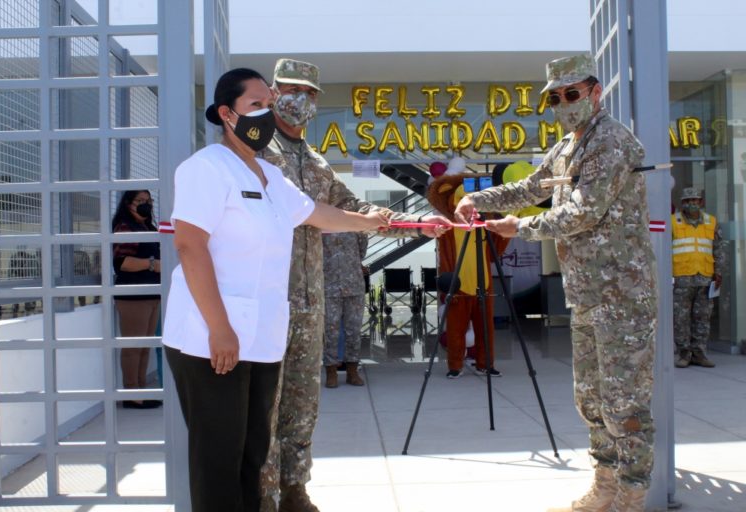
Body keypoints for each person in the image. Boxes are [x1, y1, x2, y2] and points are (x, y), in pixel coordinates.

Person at [162, 67, 388, 512]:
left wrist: (373, 220)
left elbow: (317, 214)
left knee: (251, 454)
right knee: (219, 459)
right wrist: (219, 328)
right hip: (212, 339)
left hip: (262, 340)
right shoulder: (206, 167)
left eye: (270, 103)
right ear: (227, 115)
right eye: (256, 105)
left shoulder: (267, 174)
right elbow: (190, 246)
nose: (266, 114)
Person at [455, 54, 657, 512]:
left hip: (623, 296)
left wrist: (519, 229)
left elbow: (584, 211)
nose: (564, 103)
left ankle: (632, 495)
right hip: (586, 294)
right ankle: (604, 487)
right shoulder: (568, 146)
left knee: (625, 405)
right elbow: (530, 188)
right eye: (556, 97)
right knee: (591, 399)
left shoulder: (611, 141)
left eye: (572, 93)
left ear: (594, 92)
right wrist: (477, 197)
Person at [258, 58, 450, 512]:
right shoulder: (258, 151)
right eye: (290, 89)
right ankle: (262, 495)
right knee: (264, 405)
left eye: (308, 93)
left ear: (316, 101)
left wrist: (416, 226)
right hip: (266, 298)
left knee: (302, 403)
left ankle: (293, 489)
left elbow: (358, 209)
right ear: (272, 91)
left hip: (310, 299)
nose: (298, 100)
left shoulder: (318, 161)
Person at [425, 172, 509, 378]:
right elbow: (444, 258)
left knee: (486, 330)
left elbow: (495, 252)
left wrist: (505, 229)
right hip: (458, 285)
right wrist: (447, 285)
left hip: (484, 283)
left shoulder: (484, 225)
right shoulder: (448, 228)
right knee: (455, 329)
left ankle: (485, 364)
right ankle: (455, 365)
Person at [112, 189, 162, 409]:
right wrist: (152, 264)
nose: (146, 205)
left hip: (152, 294)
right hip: (133, 296)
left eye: (148, 201)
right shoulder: (125, 227)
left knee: (144, 346)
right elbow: (121, 263)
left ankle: (140, 388)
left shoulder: (148, 227)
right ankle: (131, 392)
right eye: (140, 201)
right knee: (133, 346)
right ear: (128, 203)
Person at [671, 187, 723, 368]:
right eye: (688, 201)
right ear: (682, 204)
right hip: (681, 278)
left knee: (703, 317)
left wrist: (719, 272)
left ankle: (699, 354)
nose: (692, 203)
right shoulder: (673, 222)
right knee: (680, 319)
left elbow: (718, 248)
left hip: (705, 277)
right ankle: (684, 354)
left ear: (701, 202)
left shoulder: (711, 222)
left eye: (695, 200)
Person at [322, 232, 368, 388]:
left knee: (353, 331)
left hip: (353, 284)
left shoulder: (356, 225)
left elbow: (362, 249)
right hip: (329, 285)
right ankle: (331, 372)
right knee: (330, 330)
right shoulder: (323, 222)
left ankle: (352, 371)